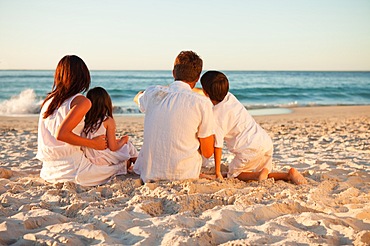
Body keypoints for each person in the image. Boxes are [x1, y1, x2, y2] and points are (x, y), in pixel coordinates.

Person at [199, 70, 307, 185]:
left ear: (206, 92)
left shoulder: (216, 116)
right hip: (264, 141)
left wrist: (217, 173)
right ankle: (288, 175)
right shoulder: (230, 97)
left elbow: (217, 146)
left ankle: (258, 175)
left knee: (234, 174)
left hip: (248, 149)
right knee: (263, 173)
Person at [36, 55, 125, 186]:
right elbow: (61, 134)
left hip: (48, 171)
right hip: (73, 171)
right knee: (119, 166)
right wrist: (93, 143)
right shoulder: (81, 101)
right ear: (83, 76)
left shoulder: (48, 101)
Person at [133, 51, 215, 183]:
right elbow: (207, 152)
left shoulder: (153, 92)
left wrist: (139, 96)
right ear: (198, 77)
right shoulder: (202, 102)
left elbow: (138, 98)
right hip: (184, 175)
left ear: (173, 73)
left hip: (149, 173)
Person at [82, 87, 138, 173]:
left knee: (126, 154)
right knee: (128, 145)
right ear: (106, 102)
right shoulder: (107, 120)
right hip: (102, 158)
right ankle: (140, 166)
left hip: (90, 158)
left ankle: (132, 163)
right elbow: (113, 147)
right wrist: (123, 140)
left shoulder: (84, 120)